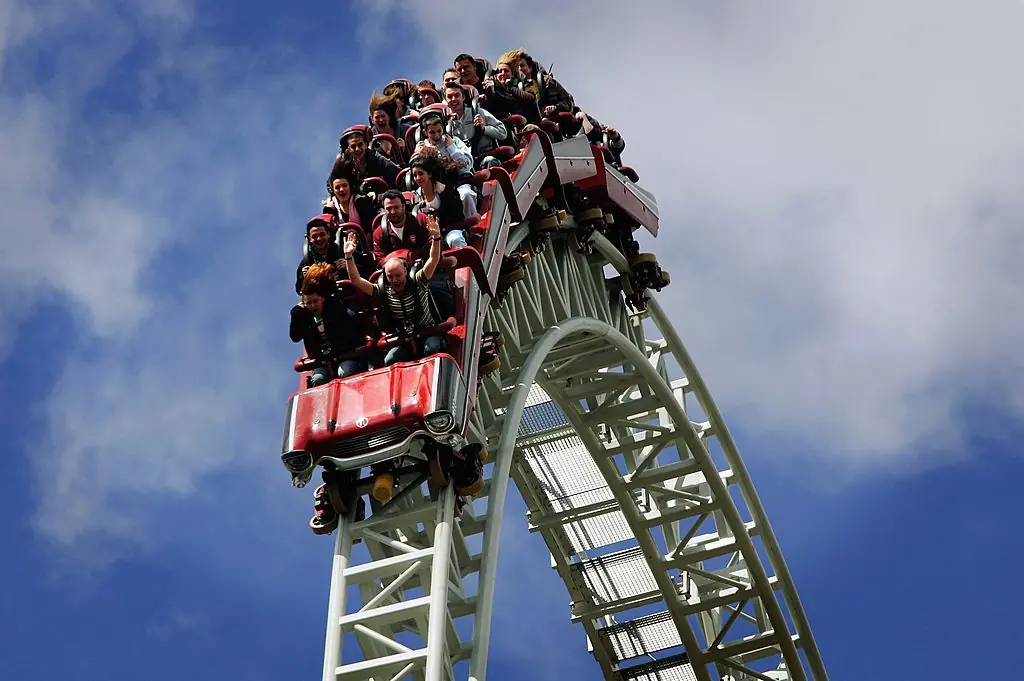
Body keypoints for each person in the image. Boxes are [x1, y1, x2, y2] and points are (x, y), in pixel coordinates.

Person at [342, 217, 446, 365]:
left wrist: (436, 238)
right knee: (391, 359)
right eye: (390, 277)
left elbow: (433, 259)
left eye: (398, 276)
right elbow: (356, 280)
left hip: (427, 331)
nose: (395, 280)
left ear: (405, 271)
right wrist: (348, 256)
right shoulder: (382, 290)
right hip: (403, 337)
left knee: (432, 348)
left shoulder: (418, 280)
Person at [289, 263, 369, 385]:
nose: (312, 306)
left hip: (344, 355)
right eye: (308, 303)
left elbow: (351, 332)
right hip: (321, 360)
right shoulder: (303, 315)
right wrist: (295, 316)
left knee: (345, 372)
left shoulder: (335, 307)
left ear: (322, 298)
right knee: (318, 379)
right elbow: (295, 337)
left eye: (315, 301)